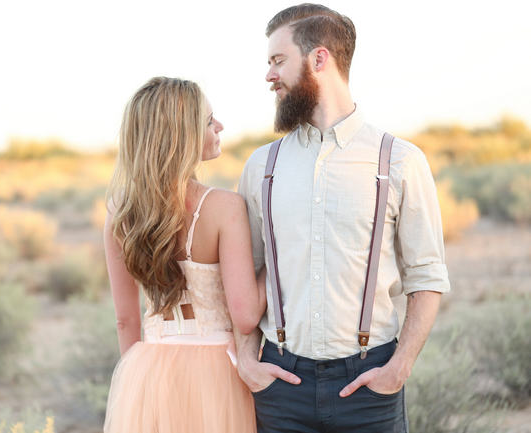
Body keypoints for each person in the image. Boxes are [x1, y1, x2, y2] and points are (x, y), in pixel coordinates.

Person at [235, 4, 451, 432]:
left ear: (319, 59)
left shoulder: (401, 161)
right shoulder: (261, 166)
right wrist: (246, 360)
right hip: (279, 387)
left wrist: (399, 367)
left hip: (371, 387)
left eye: (278, 61)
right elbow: (246, 274)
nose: (269, 75)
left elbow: (426, 276)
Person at [102, 77, 263, 433]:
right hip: (218, 374)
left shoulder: (119, 212)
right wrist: (276, 268)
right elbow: (247, 316)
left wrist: (136, 387)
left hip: (148, 371)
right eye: (209, 121)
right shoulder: (224, 207)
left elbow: (125, 322)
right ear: (181, 135)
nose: (219, 126)